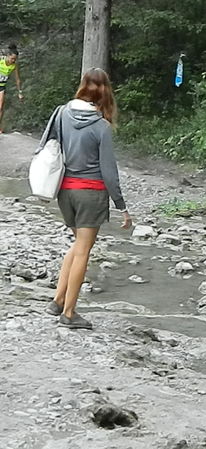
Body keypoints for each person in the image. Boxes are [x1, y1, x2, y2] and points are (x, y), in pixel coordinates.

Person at [44, 67, 132, 329]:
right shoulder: (101, 126)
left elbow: (48, 146)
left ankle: (58, 300)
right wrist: (122, 206)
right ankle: (70, 314)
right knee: (84, 250)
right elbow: (108, 171)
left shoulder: (61, 113)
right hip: (90, 193)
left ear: (82, 85)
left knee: (77, 244)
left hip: (65, 192)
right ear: (106, 92)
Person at [0, 44, 24, 133]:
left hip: (1, 86)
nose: (13, 61)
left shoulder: (14, 65)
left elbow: (17, 79)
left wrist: (20, 92)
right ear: (8, 56)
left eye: (15, 59)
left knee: (0, 107)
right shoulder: (1, 60)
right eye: (12, 59)